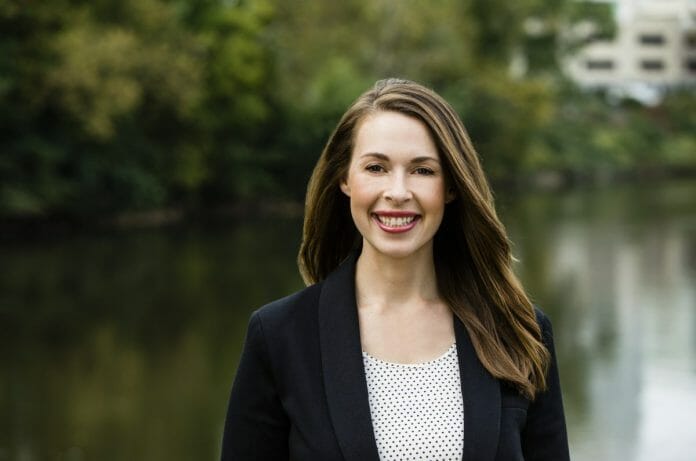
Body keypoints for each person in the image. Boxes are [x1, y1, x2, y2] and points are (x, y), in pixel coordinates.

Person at [220, 78, 570, 461]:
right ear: (344, 178)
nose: (398, 192)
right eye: (376, 167)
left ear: (451, 187)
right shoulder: (279, 337)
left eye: (422, 170)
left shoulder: (519, 332)